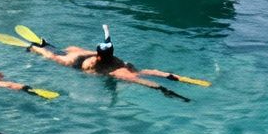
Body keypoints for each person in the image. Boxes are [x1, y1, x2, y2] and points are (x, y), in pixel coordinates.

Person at [26, 25, 186, 98]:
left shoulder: (105, 61)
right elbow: (141, 80)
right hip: (78, 63)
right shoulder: (115, 66)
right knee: (57, 57)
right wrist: (163, 89)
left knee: (68, 50)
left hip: (82, 57)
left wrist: (163, 87)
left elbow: (107, 41)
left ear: (99, 54)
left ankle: (45, 45)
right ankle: (39, 47)